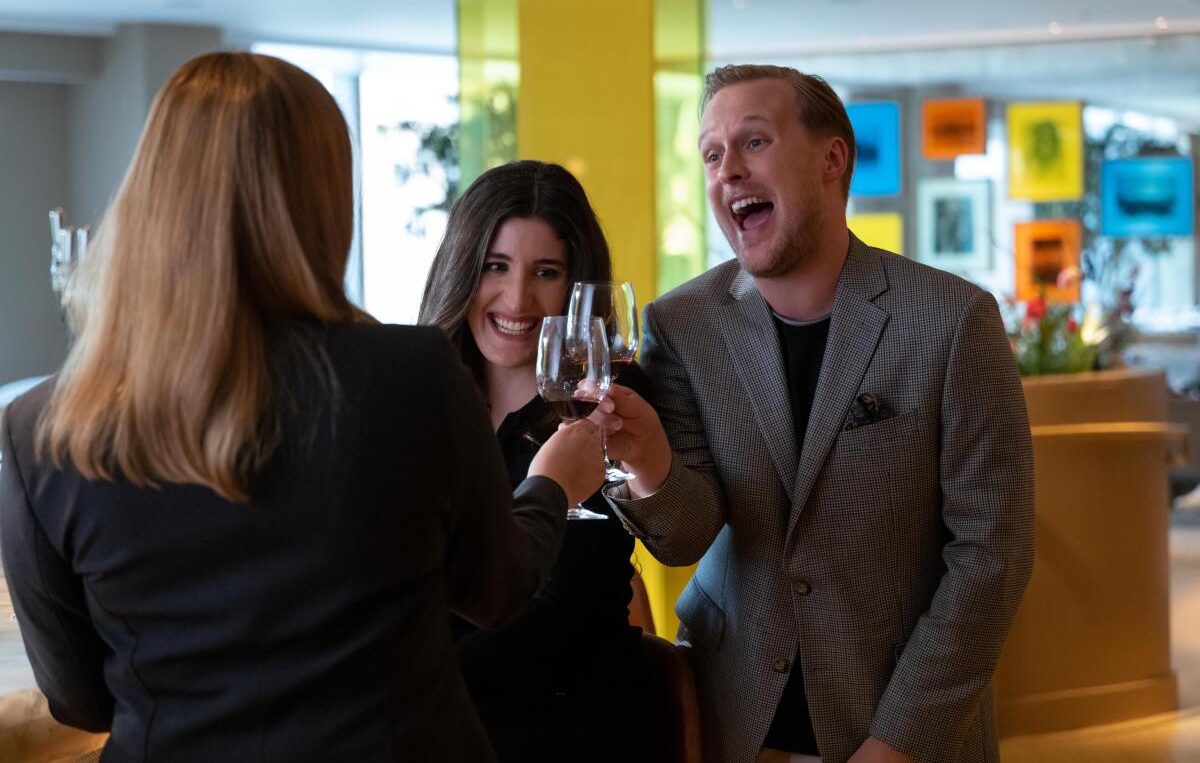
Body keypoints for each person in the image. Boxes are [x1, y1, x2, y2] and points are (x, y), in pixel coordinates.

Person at [0, 52, 604, 763]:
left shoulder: (40, 428)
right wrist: (553, 484)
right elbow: (497, 590)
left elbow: (81, 696)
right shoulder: (410, 376)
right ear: (321, 199)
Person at [596, 64, 1036, 763]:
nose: (728, 170)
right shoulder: (680, 324)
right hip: (732, 722)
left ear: (832, 159)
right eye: (712, 154)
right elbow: (683, 536)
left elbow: (991, 557)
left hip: (901, 724)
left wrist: (898, 741)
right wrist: (646, 464)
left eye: (754, 142)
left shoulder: (954, 321)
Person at [419, 159, 658, 763]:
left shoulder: (610, 407)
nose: (517, 298)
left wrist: (411, 685)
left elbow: (561, 616)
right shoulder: (418, 396)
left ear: (577, 287)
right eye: (495, 266)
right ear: (460, 270)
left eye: (545, 272)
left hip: (562, 724)